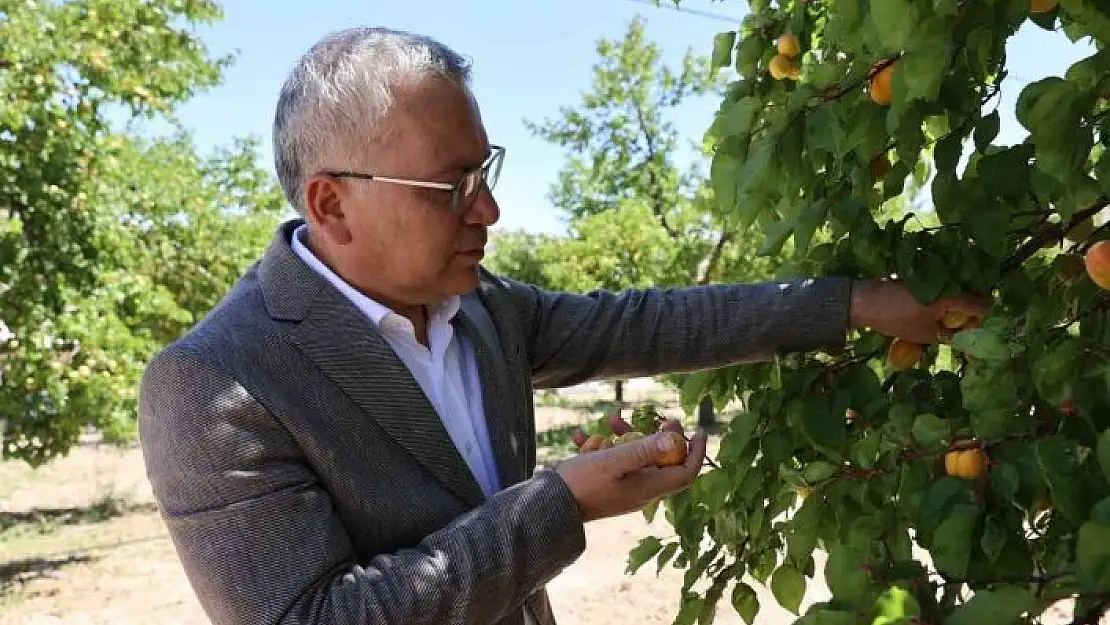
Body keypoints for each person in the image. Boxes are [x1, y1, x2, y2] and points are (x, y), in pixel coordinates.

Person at [137, 26, 985, 625]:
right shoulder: (217, 383)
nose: (490, 208)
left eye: (485, 170)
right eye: (452, 185)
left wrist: (854, 302)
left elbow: (653, 323)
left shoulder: (481, 309)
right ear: (332, 202)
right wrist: (560, 503)